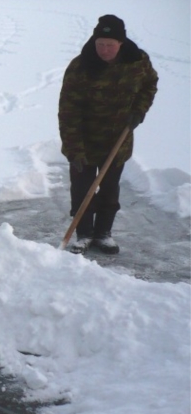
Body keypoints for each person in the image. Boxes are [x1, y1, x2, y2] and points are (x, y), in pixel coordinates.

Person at [58, 14, 158, 255]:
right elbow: (68, 111)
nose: (104, 50)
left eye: (110, 45)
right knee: (82, 188)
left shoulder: (138, 61)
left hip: (118, 139)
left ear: (121, 43)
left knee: (110, 188)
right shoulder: (81, 66)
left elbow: (150, 84)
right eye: (100, 44)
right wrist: (74, 149)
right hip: (83, 138)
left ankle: (103, 233)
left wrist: (139, 111)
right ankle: (83, 234)